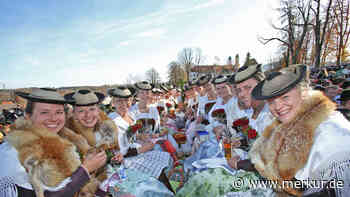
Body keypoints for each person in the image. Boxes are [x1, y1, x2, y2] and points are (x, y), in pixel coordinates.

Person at [228, 64, 350, 196]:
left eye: (285, 97)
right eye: (271, 101)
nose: (278, 106)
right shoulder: (291, 122)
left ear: (303, 94)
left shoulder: (330, 130)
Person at [0, 88, 106, 197]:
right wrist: (85, 170)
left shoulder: (60, 143)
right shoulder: (11, 152)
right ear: (28, 116)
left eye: (59, 112)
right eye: (45, 112)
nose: (53, 118)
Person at [108, 86, 175, 195]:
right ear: (113, 103)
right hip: (126, 160)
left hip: (136, 151)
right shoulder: (112, 120)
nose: (123, 104)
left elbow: (129, 135)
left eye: (126, 100)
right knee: (159, 168)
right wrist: (142, 149)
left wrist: (140, 137)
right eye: (119, 101)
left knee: (165, 157)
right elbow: (117, 152)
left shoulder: (129, 116)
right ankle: (169, 192)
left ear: (131, 101)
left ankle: (171, 189)